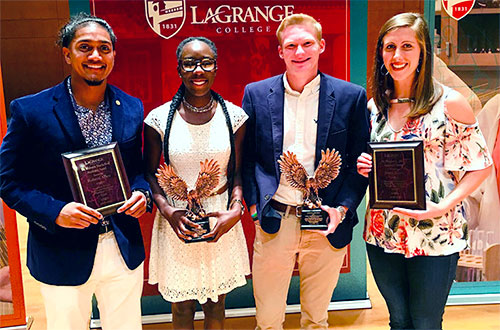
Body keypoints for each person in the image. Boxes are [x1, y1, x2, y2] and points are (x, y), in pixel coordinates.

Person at [0, 13, 151, 330]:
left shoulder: (132, 106)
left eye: (104, 48)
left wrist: (142, 194)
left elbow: (138, 170)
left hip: (122, 245)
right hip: (61, 248)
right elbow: (9, 180)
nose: (96, 56)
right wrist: (55, 211)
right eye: (85, 47)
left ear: (113, 55)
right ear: (67, 53)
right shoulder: (31, 110)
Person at [356, 12, 493, 330]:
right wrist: (366, 166)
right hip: (383, 233)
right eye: (389, 47)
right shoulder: (375, 107)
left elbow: (480, 166)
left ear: (423, 53)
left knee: (425, 322)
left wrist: (445, 204)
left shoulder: (449, 103)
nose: (397, 56)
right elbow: (374, 163)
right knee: (398, 321)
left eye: (407, 46)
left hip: (436, 232)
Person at [242, 13, 369, 329]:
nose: (299, 53)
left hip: (328, 221)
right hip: (276, 218)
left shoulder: (350, 96)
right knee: (268, 319)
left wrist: (343, 208)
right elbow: (246, 157)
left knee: (316, 318)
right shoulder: (256, 95)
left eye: (307, 44)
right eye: (291, 45)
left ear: (321, 45)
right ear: (280, 51)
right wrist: (256, 207)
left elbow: (359, 163)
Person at [144, 36, 250, 329]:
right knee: (181, 308)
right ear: (179, 69)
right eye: (189, 63)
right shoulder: (158, 119)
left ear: (216, 68)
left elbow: (238, 173)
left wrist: (236, 210)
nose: (198, 70)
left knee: (217, 306)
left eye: (206, 62)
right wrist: (168, 211)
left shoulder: (235, 116)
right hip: (178, 218)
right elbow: (150, 173)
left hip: (221, 215)